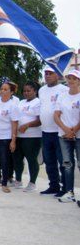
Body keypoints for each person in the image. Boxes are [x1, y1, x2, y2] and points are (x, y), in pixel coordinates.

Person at [39, 67, 68, 196]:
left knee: (63, 162)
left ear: (57, 75)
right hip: (45, 131)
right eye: (46, 74)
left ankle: (66, 188)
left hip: (59, 132)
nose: (47, 76)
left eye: (50, 73)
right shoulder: (41, 90)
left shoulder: (64, 90)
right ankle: (53, 185)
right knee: (49, 161)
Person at [54, 69, 80, 203]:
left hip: (78, 136)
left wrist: (74, 131)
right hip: (63, 135)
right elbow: (56, 115)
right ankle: (70, 192)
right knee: (67, 164)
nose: (71, 81)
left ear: (79, 81)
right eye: (69, 78)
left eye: (74, 78)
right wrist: (66, 130)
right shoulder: (62, 96)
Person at [13, 81, 42, 192]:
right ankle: (18, 180)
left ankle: (32, 183)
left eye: (29, 91)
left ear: (35, 91)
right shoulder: (21, 102)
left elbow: (40, 120)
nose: (26, 93)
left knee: (31, 159)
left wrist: (27, 125)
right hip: (19, 136)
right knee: (17, 159)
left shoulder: (38, 102)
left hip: (33, 137)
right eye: (24, 91)